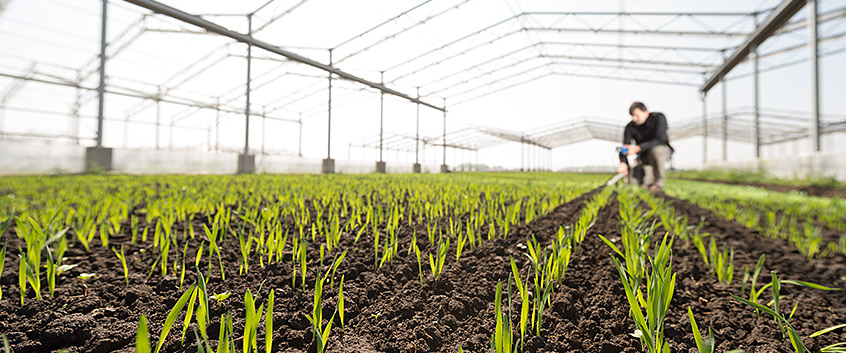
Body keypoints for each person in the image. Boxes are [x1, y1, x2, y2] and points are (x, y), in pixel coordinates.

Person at [617, 102, 673, 192]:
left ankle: (659, 182)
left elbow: (660, 139)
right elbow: (625, 147)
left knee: (656, 151)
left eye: (636, 115)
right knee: (633, 182)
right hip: (643, 156)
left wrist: (638, 148)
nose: (634, 119)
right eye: (632, 116)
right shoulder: (630, 127)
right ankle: (647, 182)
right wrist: (623, 162)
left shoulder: (658, 118)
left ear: (645, 112)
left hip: (660, 151)